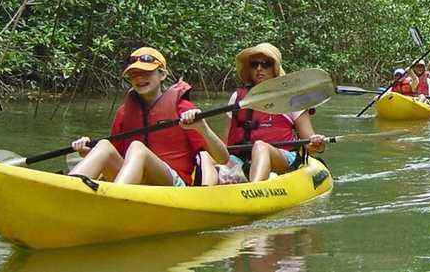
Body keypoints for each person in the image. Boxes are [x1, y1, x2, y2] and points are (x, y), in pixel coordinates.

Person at [68, 47, 229, 187]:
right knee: (103, 145)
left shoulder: (184, 109)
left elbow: (222, 158)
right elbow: (113, 155)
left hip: (172, 185)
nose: (139, 78)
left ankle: (115, 198)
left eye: (146, 73)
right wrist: (87, 151)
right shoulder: (124, 113)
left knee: (138, 148)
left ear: (162, 74)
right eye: (134, 74)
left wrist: (202, 128)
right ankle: (70, 188)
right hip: (135, 181)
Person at [198, 43, 327, 184]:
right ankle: (205, 192)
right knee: (205, 155)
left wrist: (317, 143)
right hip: (242, 158)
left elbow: (310, 144)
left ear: (275, 68)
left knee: (260, 146)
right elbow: (225, 143)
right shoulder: (238, 98)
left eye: (265, 64)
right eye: (254, 64)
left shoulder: (291, 99)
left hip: (281, 156)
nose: (259, 68)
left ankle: (254, 190)